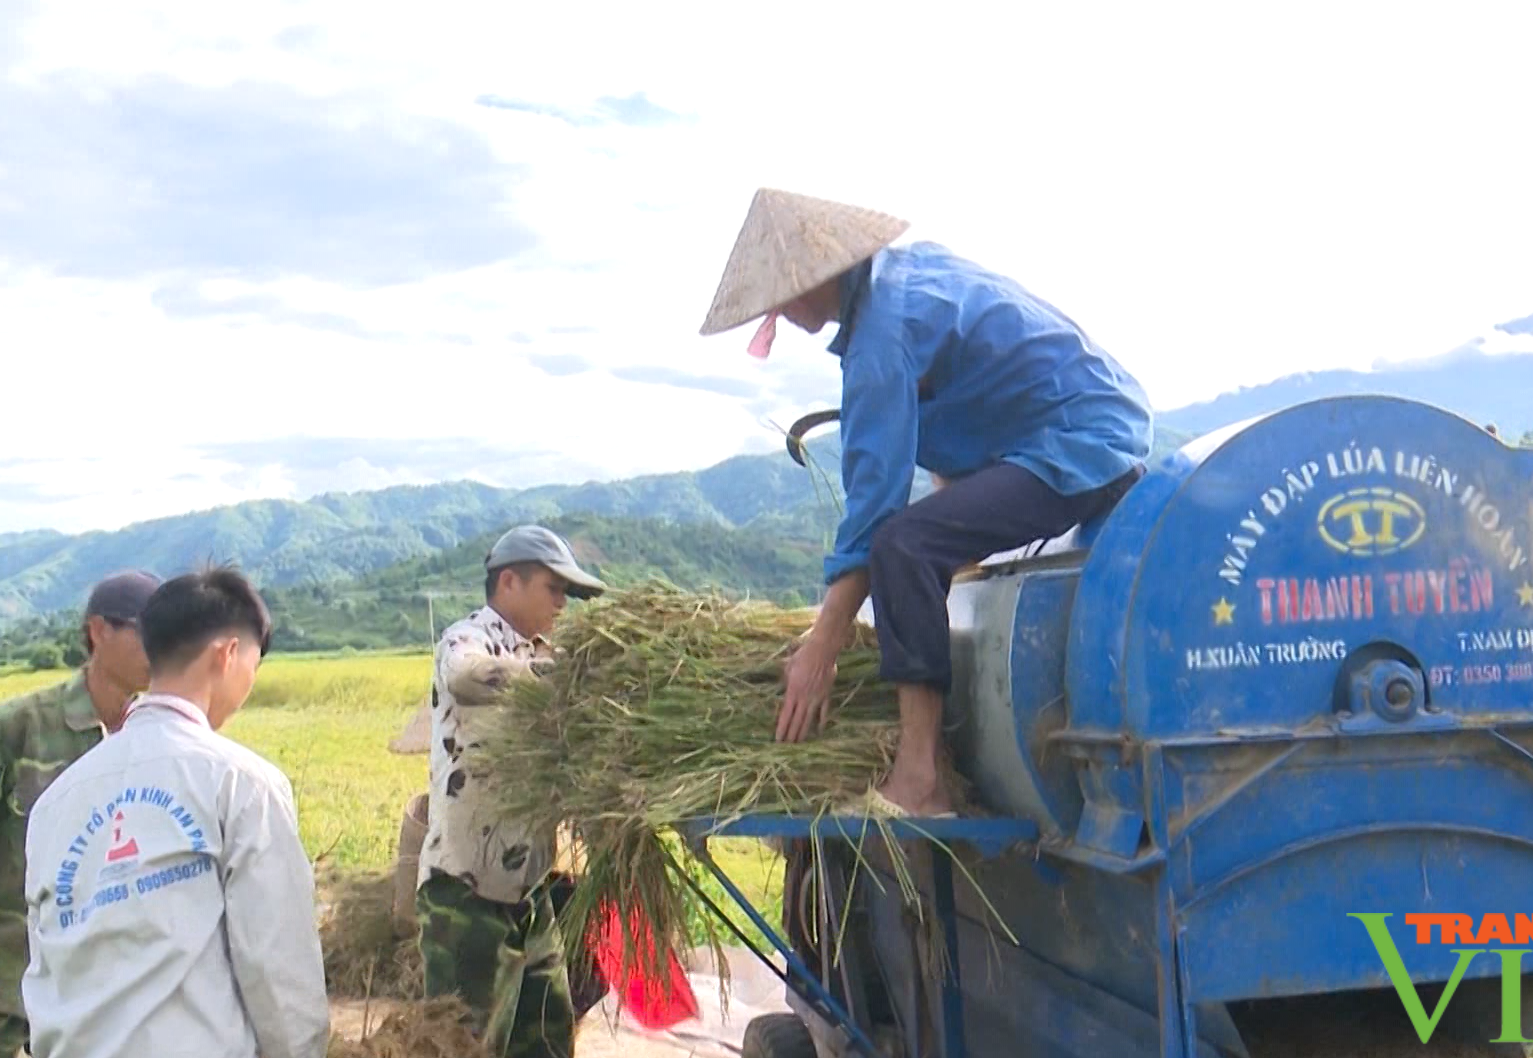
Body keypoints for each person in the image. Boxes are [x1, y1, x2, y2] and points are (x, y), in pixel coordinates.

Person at [699, 188, 1155, 818]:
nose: (775, 311)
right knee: (924, 538)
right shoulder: (908, 278)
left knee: (904, 546)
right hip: (1078, 428)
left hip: (1082, 442)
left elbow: (875, 513)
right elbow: (974, 392)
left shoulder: (882, 338)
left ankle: (921, 777)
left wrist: (820, 649)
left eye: (777, 295)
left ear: (805, 282)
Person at [19, 565, 327, 1058]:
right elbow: (278, 969)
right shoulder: (241, 783)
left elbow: (45, 961)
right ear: (227, 655)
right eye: (254, 662)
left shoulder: (57, 799)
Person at [0, 571, 161, 1058]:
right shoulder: (15, 728)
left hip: (100, 993)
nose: (161, 646)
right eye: (146, 630)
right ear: (98, 632)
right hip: (0, 988)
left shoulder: (156, 740)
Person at [418, 524, 606, 1058]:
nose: (563, 605)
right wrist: (554, 677)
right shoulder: (466, 639)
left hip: (530, 890)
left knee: (547, 1037)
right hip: (467, 893)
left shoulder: (543, 650)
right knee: (466, 1044)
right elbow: (465, 676)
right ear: (509, 582)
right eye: (554, 589)